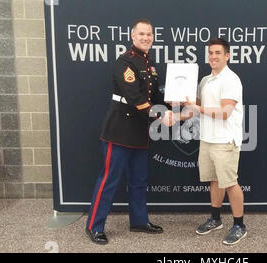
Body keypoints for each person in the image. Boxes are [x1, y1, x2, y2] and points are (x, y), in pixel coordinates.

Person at [85, 18, 174, 245]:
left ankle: (139, 221)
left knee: (139, 180)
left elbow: (153, 97)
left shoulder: (149, 64)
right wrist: (162, 115)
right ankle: (94, 226)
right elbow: (136, 99)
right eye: (142, 34)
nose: (146, 38)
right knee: (109, 180)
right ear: (133, 36)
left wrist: (173, 103)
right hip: (120, 130)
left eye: (149, 34)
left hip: (139, 132)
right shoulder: (125, 62)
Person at [178, 38, 246, 245]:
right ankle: (216, 219)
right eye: (210, 53)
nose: (213, 57)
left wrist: (197, 108)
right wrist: (180, 110)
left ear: (227, 56)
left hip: (225, 140)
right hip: (207, 138)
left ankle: (239, 226)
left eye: (218, 53)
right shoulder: (206, 80)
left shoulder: (231, 80)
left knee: (230, 183)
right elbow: (195, 108)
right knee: (215, 181)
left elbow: (225, 112)